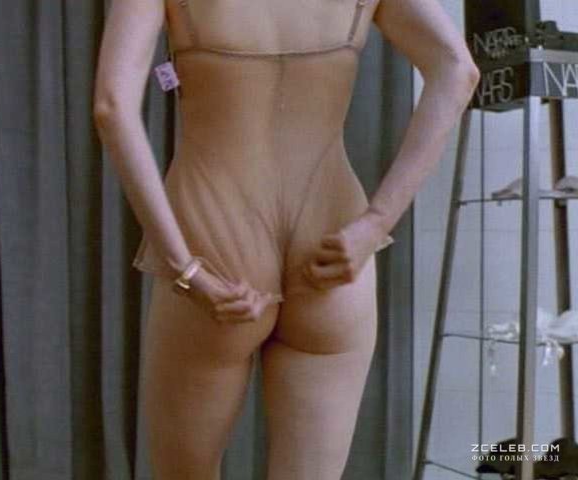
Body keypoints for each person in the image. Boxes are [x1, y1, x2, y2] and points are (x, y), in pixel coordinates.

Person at [93, 0, 479, 478]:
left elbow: (111, 106)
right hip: (333, 242)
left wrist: (184, 267)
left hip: (212, 241)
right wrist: (376, 223)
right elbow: (457, 70)